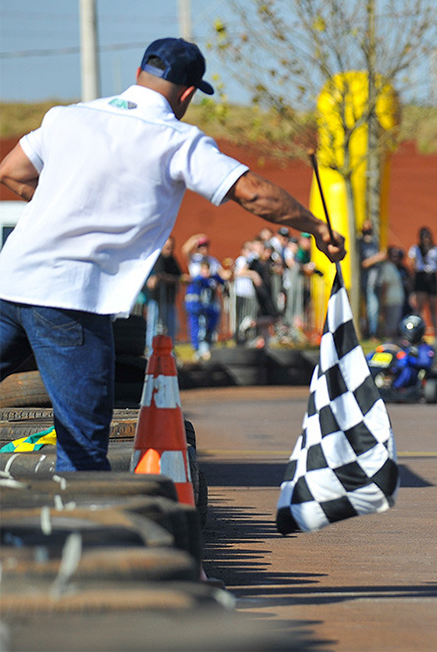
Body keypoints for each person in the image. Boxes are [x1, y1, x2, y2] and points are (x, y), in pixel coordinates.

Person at [0, 37, 345, 472]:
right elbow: (252, 193)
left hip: (8, 282)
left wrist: (62, 208)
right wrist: (316, 227)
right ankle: (79, 528)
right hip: (69, 297)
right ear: (187, 93)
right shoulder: (175, 138)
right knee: (83, 448)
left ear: (140, 74)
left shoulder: (67, 118)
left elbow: (11, 172)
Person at [144, 235, 184, 353]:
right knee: (153, 325)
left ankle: (169, 350)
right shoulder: (156, 259)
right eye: (166, 247)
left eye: (170, 247)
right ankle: (151, 351)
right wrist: (160, 278)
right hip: (156, 300)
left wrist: (164, 278)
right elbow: (154, 277)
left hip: (169, 300)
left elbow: (178, 276)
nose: (168, 249)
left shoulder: (172, 260)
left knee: (170, 326)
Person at [184, 260, 225, 360]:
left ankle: (207, 348)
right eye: (204, 269)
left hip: (207, 310)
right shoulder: (198, 281)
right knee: (199, 329)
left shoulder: (210, 280)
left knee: (208, 328)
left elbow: (222, 280)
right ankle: (200, 350)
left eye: (208, 270)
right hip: (199, 310)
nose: (206, 272)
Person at [409, 226, 437, 340]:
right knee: (420, 307)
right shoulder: (416, 249)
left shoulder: (436, 249)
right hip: (421, 277)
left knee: (433, 307)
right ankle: (418, 333)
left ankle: (436, 333)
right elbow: (412, 263)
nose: (426, 239)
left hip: (432, 277)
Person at [390, 314, 436, 390]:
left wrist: (409, 359)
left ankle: (395, 388)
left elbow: (426, 363)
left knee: (407, 370)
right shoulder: (397, 344)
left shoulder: (424, 347)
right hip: (394, 369)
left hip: (413, 375)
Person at [358, 219, 385, 339]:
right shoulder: (360, 243)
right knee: (371, 308)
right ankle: (371, 333)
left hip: (376, 281)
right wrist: (377, 258)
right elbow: (362, 263)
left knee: (375, 309)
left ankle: (374, 332)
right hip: (366, 282)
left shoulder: (375, 242)